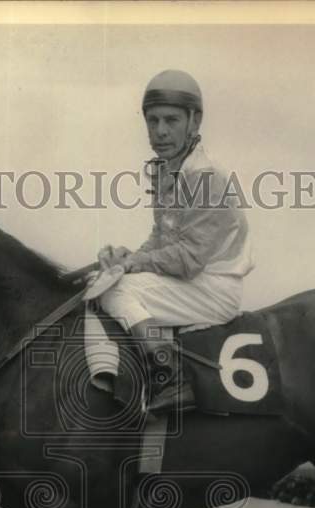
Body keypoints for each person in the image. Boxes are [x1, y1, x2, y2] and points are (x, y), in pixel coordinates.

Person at [97, 69, 254, 413]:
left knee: (116, 291)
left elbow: (187, 259)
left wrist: (131, 266)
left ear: (194, 121)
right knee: (108, 281)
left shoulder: (203, 175)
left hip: (212, 287)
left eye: (170, 120)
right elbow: (161, 238)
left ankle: (170, 372)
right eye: (152, 121)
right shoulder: (170, 170)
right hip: (194, 281)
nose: (160, 131)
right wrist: (127, 259)